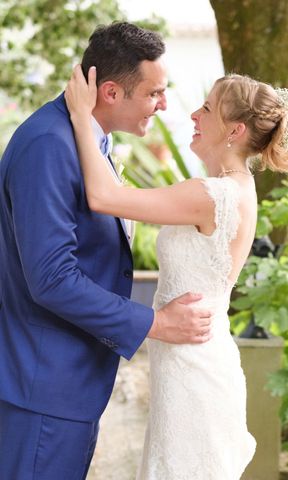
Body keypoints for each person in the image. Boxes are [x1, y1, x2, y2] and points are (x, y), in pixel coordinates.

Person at [64, 64, 288, 478]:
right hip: (192, 361)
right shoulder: (234, 189)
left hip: (193, 371)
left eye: (207, 109)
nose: (193, 115)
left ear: (235, 131)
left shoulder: (210, 196)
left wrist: (81, 115)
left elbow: (103, 196)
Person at [0, 22, 213, 480]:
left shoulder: (89, 138)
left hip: (69, 384)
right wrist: (156, 323)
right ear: (112, 92)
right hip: (42, 389)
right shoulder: (48, 145)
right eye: (154, 93)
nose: (164, 105)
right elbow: (52, 278)